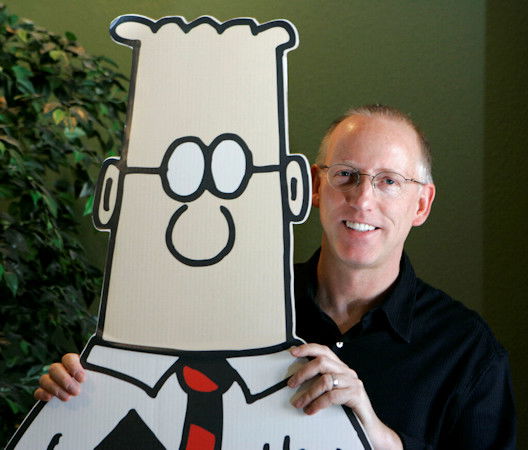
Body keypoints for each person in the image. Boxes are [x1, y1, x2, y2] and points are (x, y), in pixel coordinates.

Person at [34, 105, 516, 448]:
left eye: (389, 181)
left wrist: (376, 437)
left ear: (421, 204)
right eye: (346, 174)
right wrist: (80, 397)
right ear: (312, 186)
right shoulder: (230, 307)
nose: (363, 199)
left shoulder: (469, 352)